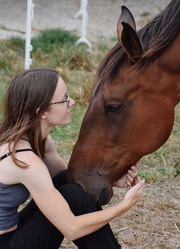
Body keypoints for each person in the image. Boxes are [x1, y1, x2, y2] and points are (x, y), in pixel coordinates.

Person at [0, 68, 144, 249]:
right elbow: (71, 228)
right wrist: (123, 207)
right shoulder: (25, 162)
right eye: (64, 99)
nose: (73, 102)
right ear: (42, 111)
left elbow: (73, 180)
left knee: (70, 187)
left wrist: (111, 178)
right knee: (72, 195)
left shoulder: (34, 140)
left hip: (11, 233)